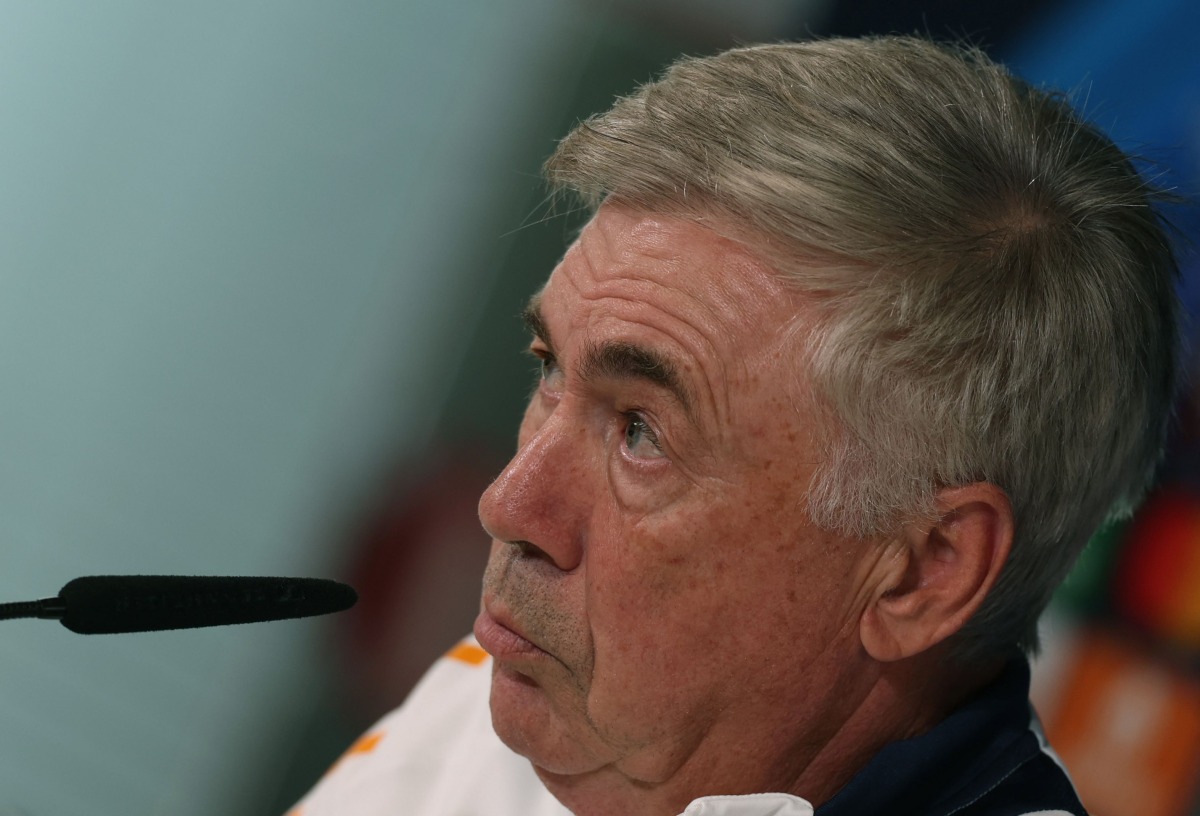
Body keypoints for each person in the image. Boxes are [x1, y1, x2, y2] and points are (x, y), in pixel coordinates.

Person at [291, 35, 1179, 816]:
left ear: (922, 569)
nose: (510, 504)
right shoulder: (512, 701)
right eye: (548, 373)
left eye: (641, 431)